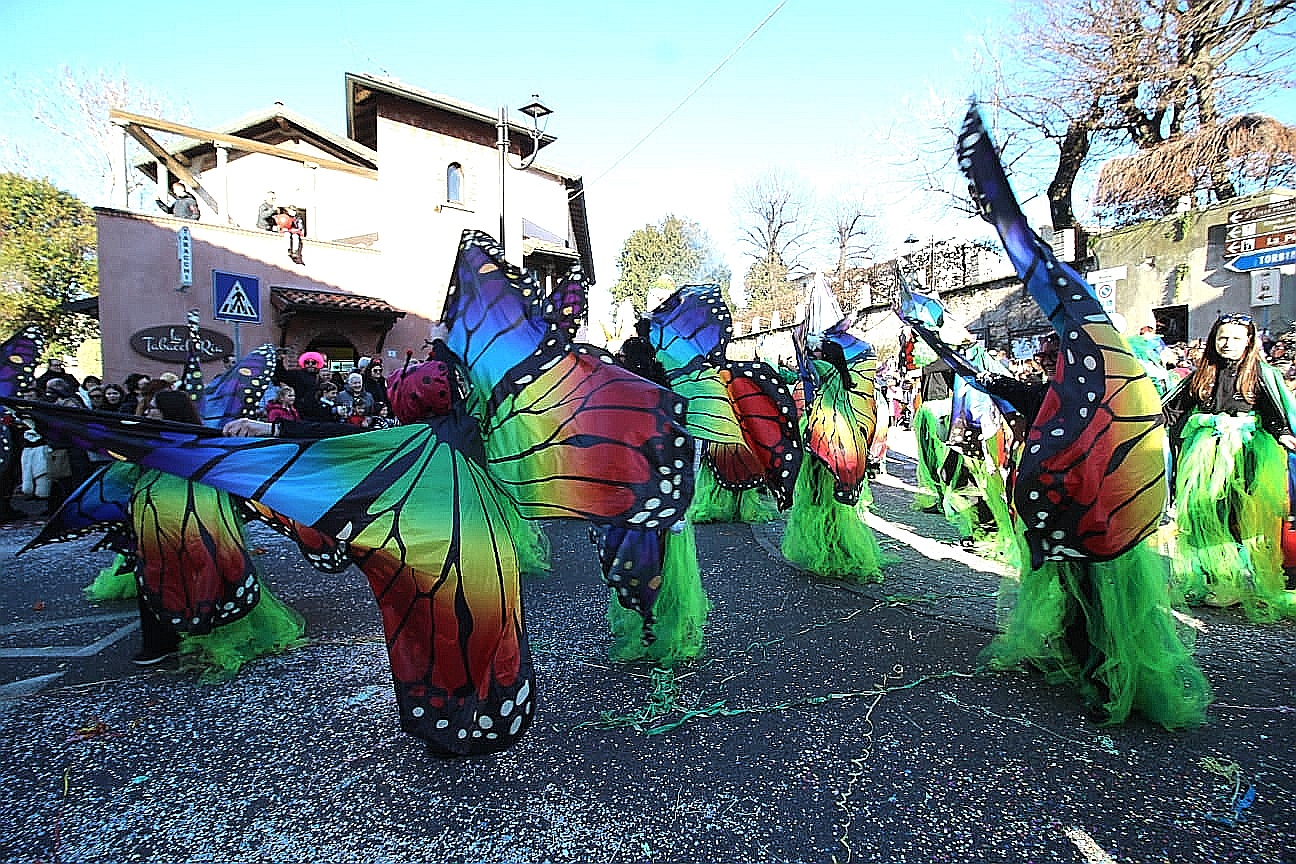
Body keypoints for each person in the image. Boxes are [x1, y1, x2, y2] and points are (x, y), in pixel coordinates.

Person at [1163, 312, 1296, 620]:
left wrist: (1283, 434)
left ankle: (1245, 580)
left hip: (1244, 453)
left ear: (1249, 341)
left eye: (1236, 338)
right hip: (1204, 455)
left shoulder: (1261, 374)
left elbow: (1273, 411)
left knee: (1241, 515)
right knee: (1204, 514)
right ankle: (1219, 580)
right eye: (1222, 337)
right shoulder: (1201, 373)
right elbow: (1172, 409)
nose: (1228, 344)